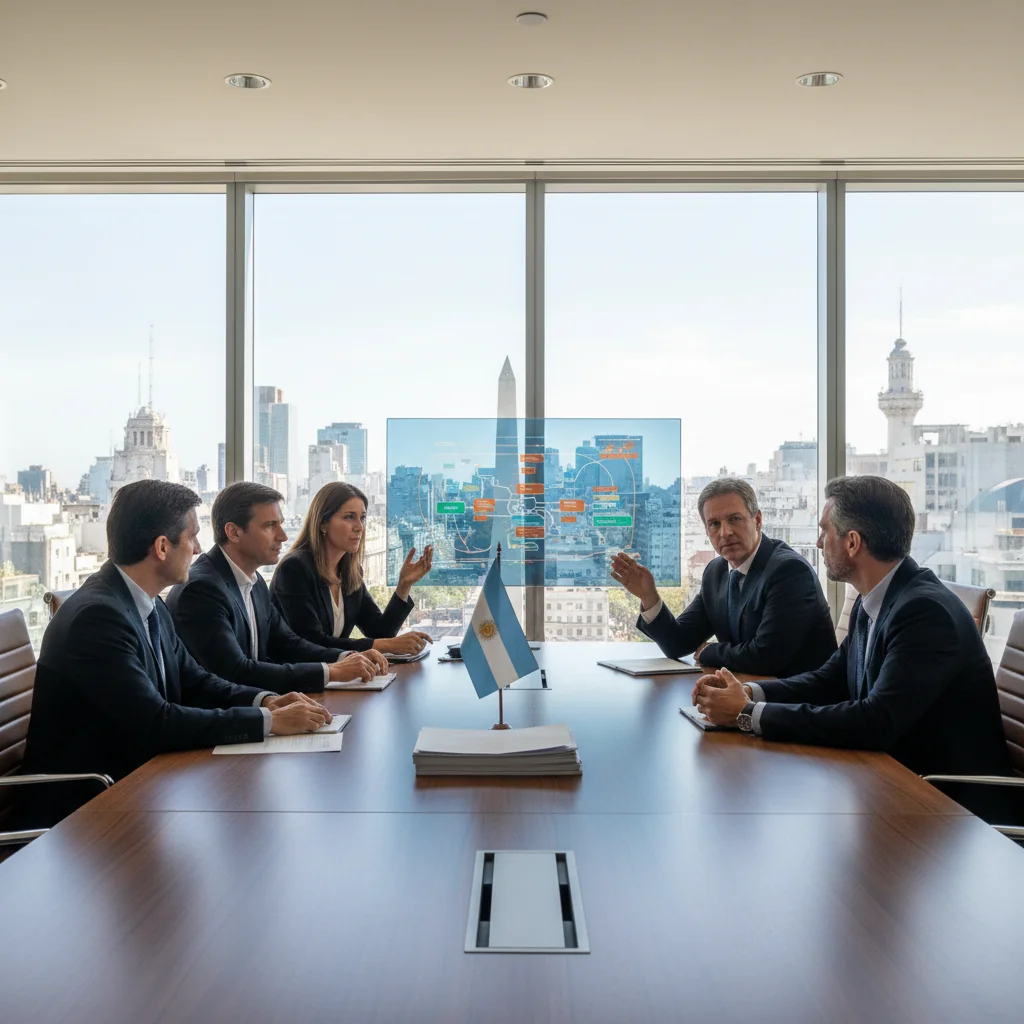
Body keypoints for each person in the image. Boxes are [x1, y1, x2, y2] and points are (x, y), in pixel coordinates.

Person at [21, 480, 331, 826]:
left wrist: (266, 701)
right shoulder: (97, 618)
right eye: (192, 536)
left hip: (141, 785)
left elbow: (195, 681)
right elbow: (156, 722)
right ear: (162, 547)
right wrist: (269, 723)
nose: (199, 549)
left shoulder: (147, 602)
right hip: (84, 811)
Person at [693, 475, 1013, 782]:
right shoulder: (874, 598)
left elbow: (876, 722)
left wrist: (748, 714)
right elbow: (829, 680)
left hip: (948, 803)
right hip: (889, 776)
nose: (818, 543)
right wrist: (747, 693)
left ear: (853, 543)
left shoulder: (924, 612)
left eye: (825, 532)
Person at [167, 482, 387, 692]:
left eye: (280, 524)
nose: (282, 536)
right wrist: (330, 671)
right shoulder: (201, 590)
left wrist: (345, 658)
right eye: (270, 526)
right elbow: (234, 671)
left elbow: (287, 643)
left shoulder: (255, 582)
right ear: (234, 532)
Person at [611, 478, 836, 677]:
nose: (725, 532)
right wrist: (649, 596)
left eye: (734, 519)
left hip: (798, 709)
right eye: (714, 524)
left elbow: (767, 657)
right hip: (747, 697)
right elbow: (678, 644)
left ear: (757, 520)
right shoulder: (716, 572)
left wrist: (709, 651)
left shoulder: (789, 571)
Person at [271, 481, 434, 657]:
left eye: (362, 518)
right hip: (297, 680)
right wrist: (385, 645)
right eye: (349, 517)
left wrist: (404, 586)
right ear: (323, 524)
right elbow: (312, 642)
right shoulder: (295, 569)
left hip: (336, 677)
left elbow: (380, 633)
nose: (359, 527)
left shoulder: (350, 572)